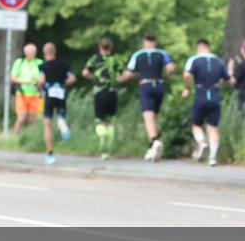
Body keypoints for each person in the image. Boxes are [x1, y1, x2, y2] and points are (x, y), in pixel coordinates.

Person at [118, 34, 176, 162]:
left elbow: (128, 73)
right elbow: (171, 67)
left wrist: (118, 80)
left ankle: (155, 141)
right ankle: (151, 148)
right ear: (154, 43)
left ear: (144, 43)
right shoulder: (162, 53)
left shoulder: (138, 54)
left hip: (146, 85)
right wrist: (167, 75)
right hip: (159, 86)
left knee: (148, 117)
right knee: (154, 117)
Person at [182, 39, 231, 166]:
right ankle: (213, 156)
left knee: (196, 125)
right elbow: (227, 79)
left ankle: (202, 142)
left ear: (198, 47)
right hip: (215, 94)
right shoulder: (218, 61)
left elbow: (187, 75)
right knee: (213, 127)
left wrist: (187, 88)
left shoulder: (194, 60)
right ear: (209, 47)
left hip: (201, 93)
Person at [82, 37, 124, 160]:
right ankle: (107, 152)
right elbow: (122, 75)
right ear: (111, 48)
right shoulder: (116, 59)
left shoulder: (94, 59)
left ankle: (102, 137)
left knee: (99, 120)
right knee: (110, 121)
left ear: (100, 47)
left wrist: (95, 79)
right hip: (112, 92)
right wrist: (115, 81)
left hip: (99, 92)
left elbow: (85, 72)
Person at [37, 42, 75, 164]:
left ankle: (50, 153)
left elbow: (41, 80)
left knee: (47, 124)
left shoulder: (43, 66)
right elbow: (72, 78)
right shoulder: (64, 65)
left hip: (49, 94)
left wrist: (39, 87)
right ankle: (62, 125)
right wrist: (63, 84)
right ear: (55, 52)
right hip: (61, 94)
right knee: (60, 116)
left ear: (45, 53)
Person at [10, 43, 43, 134]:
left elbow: (45, 77)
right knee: (21, 117)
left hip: (35, 94)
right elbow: (13, 77)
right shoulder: (19, 62)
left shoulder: (39, 63)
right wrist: (24, 82)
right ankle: (15, 136)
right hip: (22, 93)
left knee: (33, 119)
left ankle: (30, 138)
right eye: (29, 52)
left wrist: (38, 81)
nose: (31, 54)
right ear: (25, 53)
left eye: (33, 52)